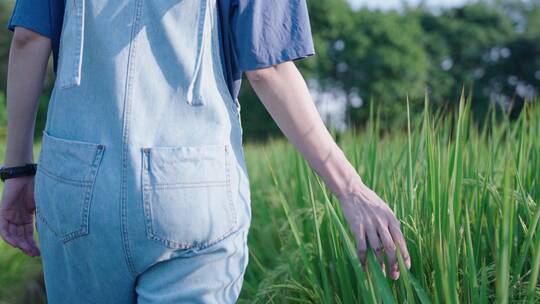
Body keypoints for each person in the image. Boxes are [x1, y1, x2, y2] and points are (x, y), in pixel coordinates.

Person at [0, 0, 411, 302]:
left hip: (76, 184)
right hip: (194, 185)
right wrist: (350, 189)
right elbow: (268, 69)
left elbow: (29, 39)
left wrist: (17, 169)